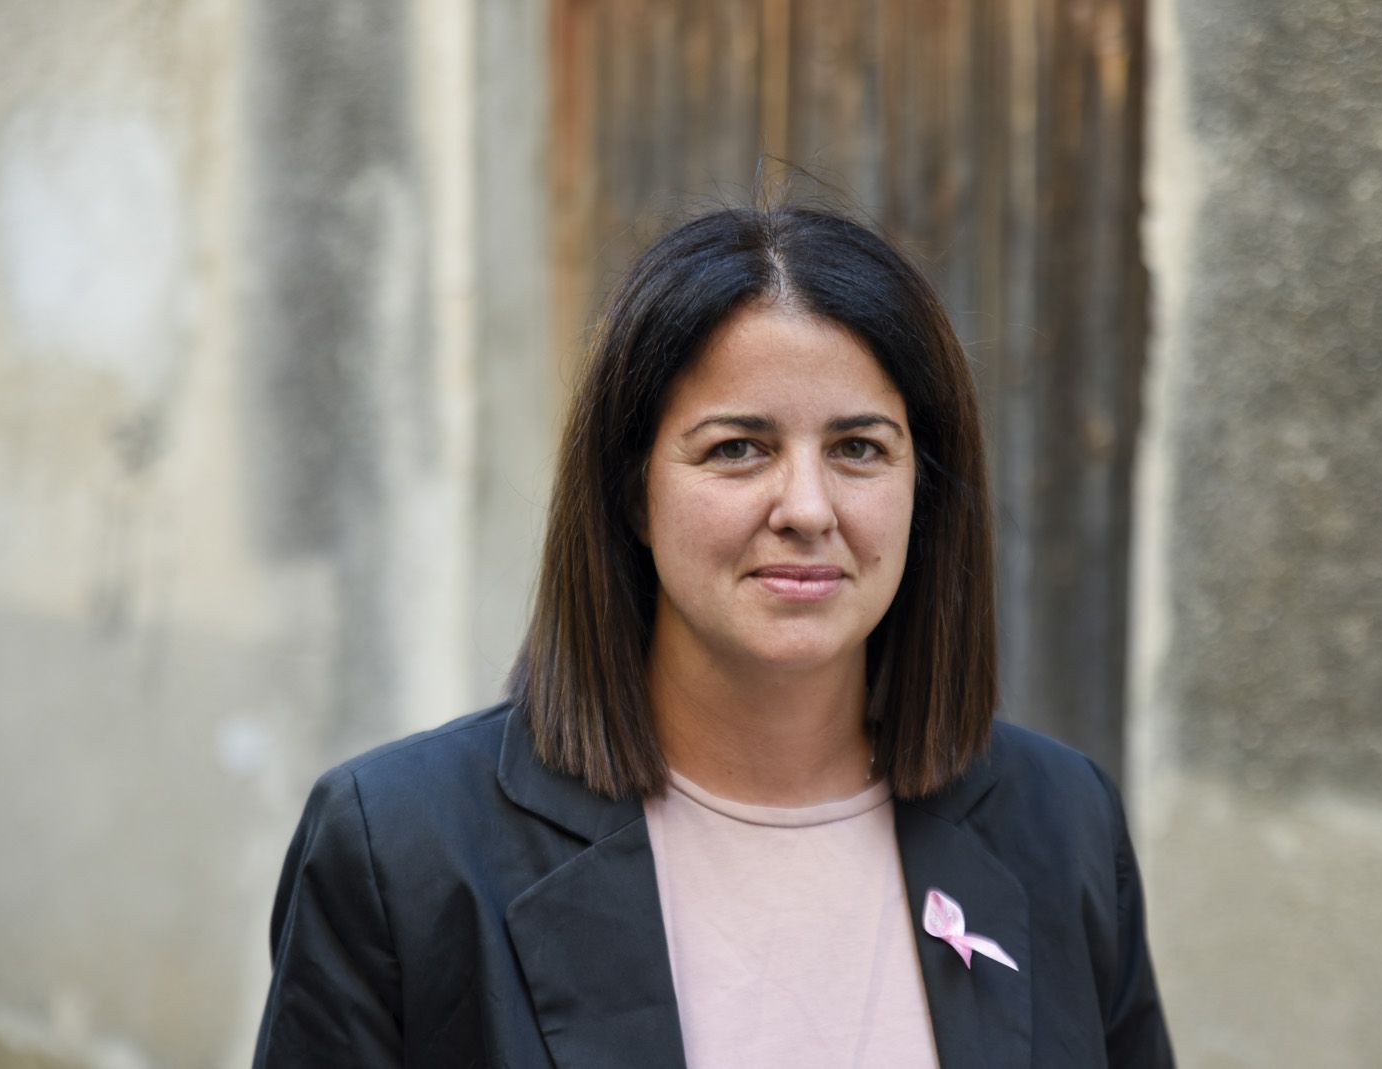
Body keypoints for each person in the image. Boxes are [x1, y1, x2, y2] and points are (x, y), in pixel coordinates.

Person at [254, 205, 1173, 1067]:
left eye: (859, 448)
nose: (807, 509)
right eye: (738, 448)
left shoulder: (1062, 823)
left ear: (922, 492)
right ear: (631, 494)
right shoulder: (405, 849)